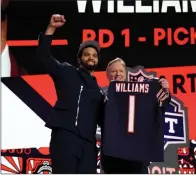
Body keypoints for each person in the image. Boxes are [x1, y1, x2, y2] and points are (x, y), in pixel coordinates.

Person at [36, 14, 104, 173]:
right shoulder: (66, 72)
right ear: (80, 58)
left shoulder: (99, 92)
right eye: (87, 54)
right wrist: (51, 28)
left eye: (94, 55)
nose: (91, 57)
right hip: (66, 137)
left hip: (88, 145)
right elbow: (43, 56)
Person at [100, 58, 171, 174]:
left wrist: (164, 91)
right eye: (113, 71)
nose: (117, 74)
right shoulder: (102, 95)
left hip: (136, 159)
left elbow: (159, 108)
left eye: (121, 71)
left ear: (125, 74)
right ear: (107, 74)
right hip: (112, 159)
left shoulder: (140, 93)